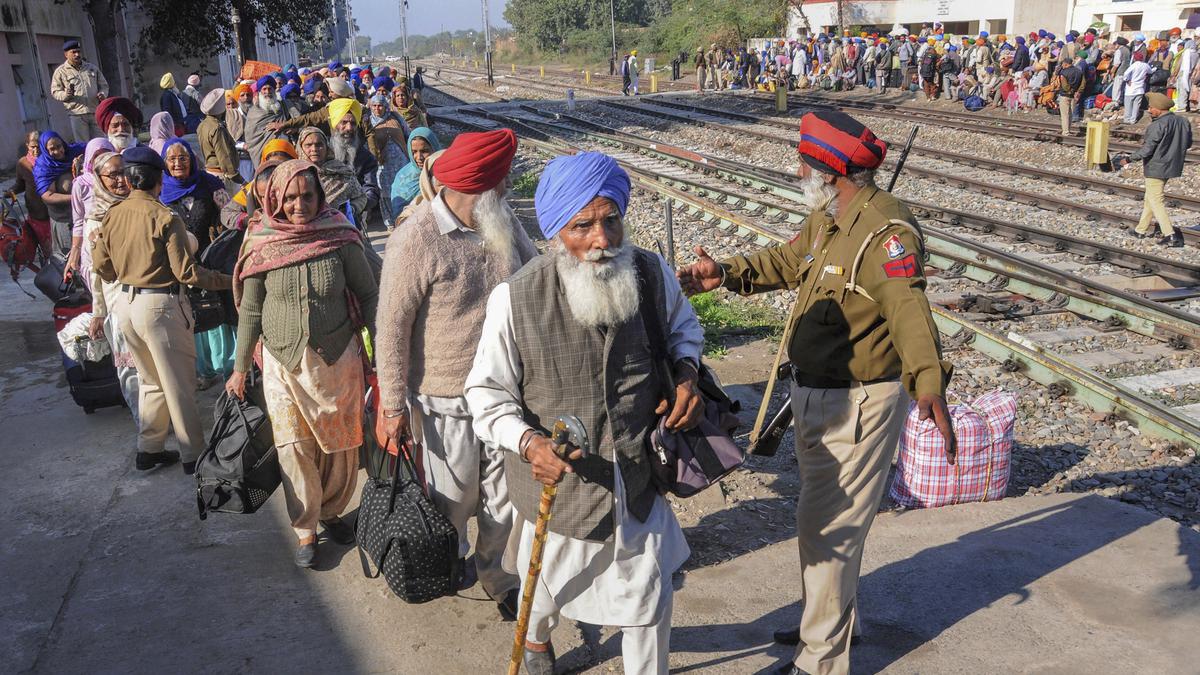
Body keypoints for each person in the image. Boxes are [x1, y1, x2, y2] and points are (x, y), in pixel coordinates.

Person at [676, 110, 956, 675]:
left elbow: (909, 308)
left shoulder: (884, 233)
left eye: (804, 159)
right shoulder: (831, 216)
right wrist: (726, 273)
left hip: (858, 403)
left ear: (829, 170)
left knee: (831, 528)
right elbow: (787, 260)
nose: (797, 166)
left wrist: (929, 383)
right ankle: (822, 623)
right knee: (820, 520)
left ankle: (820, 660)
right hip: (817, 397)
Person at [464, 150, 703, 675]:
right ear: (556, 232)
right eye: (583, 226)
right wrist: (528, 443)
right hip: (562, 491)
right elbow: (484, 394)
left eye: (611, 221)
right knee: (547, 594)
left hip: (635, 479)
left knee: (647, 604)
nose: (601, 240)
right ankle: (538, 639)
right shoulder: (516, 299)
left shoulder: (650, 272)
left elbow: (685, 329)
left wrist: (687, 374)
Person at [377, 128, 536, 618]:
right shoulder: (416, 236)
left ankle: (495, 576)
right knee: (454, 499)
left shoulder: (501, 219)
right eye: (502, 184)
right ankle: (449, 560)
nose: (507, 192)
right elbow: (391, 325)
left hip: (505, 391)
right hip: (444, 400)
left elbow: (534, 274)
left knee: (504, 499)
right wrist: (391, 405)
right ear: (477, 188)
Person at [227, 158, 378, 568]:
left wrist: (381, 349)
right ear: (274, 198)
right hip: (282, 362)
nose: (299, 205)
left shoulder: (340, 237)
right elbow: (251, 311)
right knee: (293, 446)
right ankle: (306, 526)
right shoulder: (262, 241)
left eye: (307, 196)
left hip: (338, 358)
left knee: (341, 447)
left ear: (320, 195)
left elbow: (368, 295)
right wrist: (241, 366)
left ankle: (330, 510)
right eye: (289, 197)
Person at [91, 147, 233, 473]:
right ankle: (192, 454)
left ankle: (149, 449)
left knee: (150, 381)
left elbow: (104, 269)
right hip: (160, 306)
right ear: (159, 180)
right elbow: (187, 272)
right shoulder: (164, 216)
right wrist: (230, 281)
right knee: (178, 385)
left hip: (125, 306)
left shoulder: (112, 214)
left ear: (129, 179)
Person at [83, 149, 140, 421]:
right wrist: (98, 311)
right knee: (130, 369)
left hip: (147, 297)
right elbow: (97, 272)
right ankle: (147, 427)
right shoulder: (95, 219)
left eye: (124, 172)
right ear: (99, 178)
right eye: (113, 175)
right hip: (118, 302)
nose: (120, 180)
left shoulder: (139, 206)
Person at [1120, 92, 1193, 248]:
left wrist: (1129, 159)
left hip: (1156, 167)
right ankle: (1141, 230)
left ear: (1159, 109)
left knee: (1156, 200)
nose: (1149, 110)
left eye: (1151, 108)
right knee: (1150, 198)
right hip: (1172, 166)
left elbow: (1147, 150)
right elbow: (1187, 144)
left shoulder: (1157, 125)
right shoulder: (1183, 122)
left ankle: (1170, 235)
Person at [297, 126, 368, 227]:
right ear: (301, 148)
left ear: (326, 147)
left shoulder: (341, 171)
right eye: (308, 145)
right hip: (309, 230)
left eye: (319, 145)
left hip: (341, 229)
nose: (314, 149)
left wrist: (352, 208)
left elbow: (361, 197)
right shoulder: (296, 175)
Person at [326, 98, 380, 229]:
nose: (349, 128)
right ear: (335, 124)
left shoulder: (366, 158)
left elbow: (371, 190)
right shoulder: (323, 153)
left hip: (354, 220)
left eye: (353, 123)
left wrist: (356, 206)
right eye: (344, 122)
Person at [68, 138, 115, 279]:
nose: (102, 160)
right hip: (92, 246)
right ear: (89, 158)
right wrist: (74, 252)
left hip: (117, 242)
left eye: (107, 155)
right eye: (97, 156)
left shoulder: (120, 180)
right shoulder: (81, 185)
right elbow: (79, 221)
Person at [33, 130, 83, 256]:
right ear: (45, 150)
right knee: (70, 258)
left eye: (59, 146)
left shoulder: (73, 152)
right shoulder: (43, 167)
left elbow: (95, 146)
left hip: (82, 216)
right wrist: (75, 197)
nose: (57, 151)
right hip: (64, 221)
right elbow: (47, 196)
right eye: (52, 149)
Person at [50, 39, 108, 144]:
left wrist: (103, 94)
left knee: (100, 142)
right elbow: (55, 91)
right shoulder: (61, 71)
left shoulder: (91, 68)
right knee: (83, 144)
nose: (77, 54)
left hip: (95, 110)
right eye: (73, 52)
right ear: (66, 54)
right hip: (77, 114)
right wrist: (66, 94)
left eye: (78, 51)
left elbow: (104, 85)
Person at [8, 131, 54, 257]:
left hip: (54, 214)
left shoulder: (52, 160)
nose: (36, 150)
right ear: (27, 145)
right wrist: (10, 192)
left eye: (39, 146)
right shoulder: (23, 164)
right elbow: (20, 185)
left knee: (61, 249)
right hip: (37, 215)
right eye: (32, 146)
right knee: (47, 252)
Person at [367, 93, 409, 226]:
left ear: (385, 106)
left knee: (403, 190)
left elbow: (407, 133)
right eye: (374, 106)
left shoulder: (395, 117)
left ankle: (403, 219)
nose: (377, 109)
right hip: (382, 166)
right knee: (385, 194)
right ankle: (390, 223)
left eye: (380, 105)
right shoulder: (368, 122)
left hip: (401, 164)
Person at [388, 126, 440, 221]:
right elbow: (398, 212)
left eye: (424, 151)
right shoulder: (403, 177)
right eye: (414, 152)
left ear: (434, 148)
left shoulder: (443, 174)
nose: (419, 157)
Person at [197, 88, 244, 192]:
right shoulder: (217, 128)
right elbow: (225, 157)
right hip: (223, 176)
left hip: (211, 172)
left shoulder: (202, 125)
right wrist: (239, 179)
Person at [245, 76, 286, 170]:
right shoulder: (253, 112)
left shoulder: (284, 106)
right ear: (259, 92)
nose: (267, 92)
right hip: (262, 153)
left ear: (274, 90)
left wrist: (286, 127)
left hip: (284, 152)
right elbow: (251, 139)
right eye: (264, 89)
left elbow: (296, 121)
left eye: (270, 89)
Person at [1056, 57, 1085, 135]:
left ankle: (1066, 131)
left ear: (1065, 64)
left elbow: (1064, 85)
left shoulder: (1063, 73)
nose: (1062, 65)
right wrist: (1078, 92)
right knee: (1070, 114)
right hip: (1074, 95)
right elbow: (1083, 83)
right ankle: (1068, 129)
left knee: (1065, 114)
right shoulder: (1079, 71)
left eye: (1062, 63)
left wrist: (1069, 91)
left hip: (1065, 95)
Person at [1122, 53, 1152, 124]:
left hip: (1131, 89)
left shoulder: (1134, 65)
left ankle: (1127, 120)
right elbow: (1150, 71)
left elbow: (1126, 73)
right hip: (1140, 89)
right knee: (1136, 106)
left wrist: (1127, 79)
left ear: (1134, 58)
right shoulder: (1145, 65)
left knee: (1128, 105)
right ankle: (1133, 120)